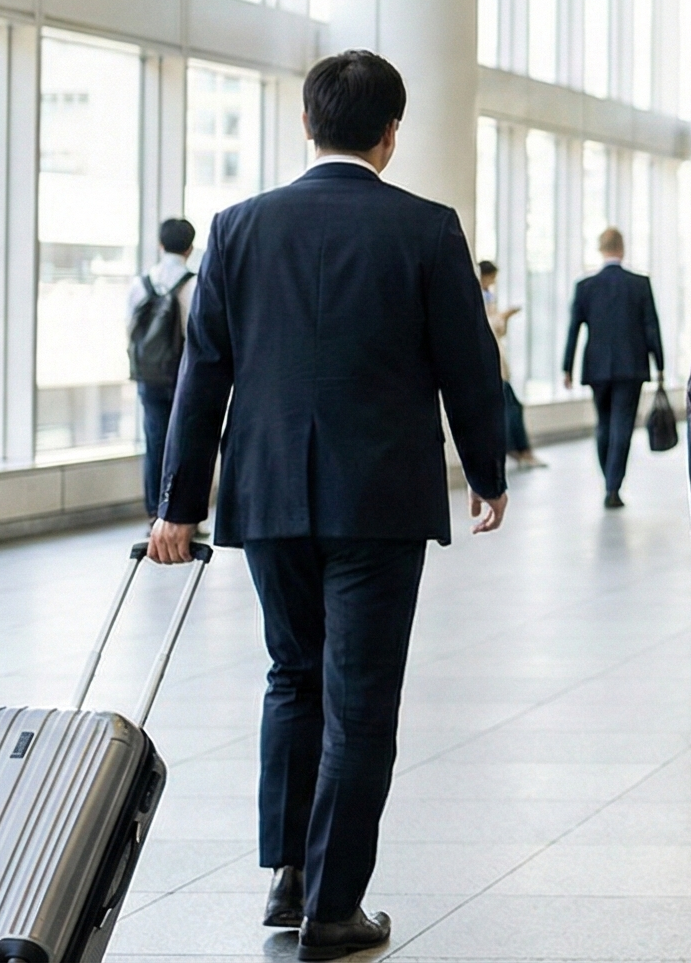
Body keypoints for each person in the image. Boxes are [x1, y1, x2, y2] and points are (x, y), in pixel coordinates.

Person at [151, 49, 509, 960]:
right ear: (392, 135)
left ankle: (289, 877)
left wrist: (179, 504)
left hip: (267, 493)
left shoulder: (237, 228)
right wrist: (488, 472)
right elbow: (467, 366)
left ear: (306, 126)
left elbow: (204, 377)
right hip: (381, 498)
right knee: (360, 702)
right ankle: (334, 908)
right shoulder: (427, 229)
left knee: (291, 676)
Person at [564, 227, 666, 508]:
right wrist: (660, 364)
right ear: (622, 248)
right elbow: (651, 327)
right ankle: (613, 486)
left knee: (604, 424)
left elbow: (574, 329)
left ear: (601, 249)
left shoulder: (585, 286)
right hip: (632, 365)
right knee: (623, 425)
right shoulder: (639, 284)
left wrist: (567, 368)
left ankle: (607, 480)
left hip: (596, 366)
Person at [128, 217, 198, 518]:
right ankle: (182, 515)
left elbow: (130, 327)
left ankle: (155, 513)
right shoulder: (194, 284)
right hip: (184, 375)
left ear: (160, 244)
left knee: (155, 441)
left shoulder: (141, 283)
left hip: (150, 375)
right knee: (187, 444)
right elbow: (197, 333)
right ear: (190, 248)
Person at [478, 261, 540, 470]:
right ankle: (519, 449)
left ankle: (520, 450)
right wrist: (503, 316)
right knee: (510, 408)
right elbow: (488, 326)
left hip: (496, 361)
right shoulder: (478, 297)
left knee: (512, 406)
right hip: (489, 364)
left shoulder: (488, 297)